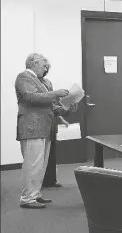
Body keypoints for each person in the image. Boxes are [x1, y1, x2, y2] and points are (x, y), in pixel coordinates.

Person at [15, 53, 74, 209]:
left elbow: (52, 107)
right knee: (32, 164)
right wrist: (55, 94)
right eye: (44, 65)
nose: (46, 68)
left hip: (44, 128)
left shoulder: (43, 82)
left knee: (40, 165)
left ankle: (35, 194)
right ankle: (27, 198)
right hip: (32, 127)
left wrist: (67, 109)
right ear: (33, 63)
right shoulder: (24, 77)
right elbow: (31, 97)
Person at [40, 61, 75, 188]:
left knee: (51, 153)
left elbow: (52, 104)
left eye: (47, 68)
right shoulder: (33, 83)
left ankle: (50, 180)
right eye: (44, 67)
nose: (45, 70)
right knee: (40, 155)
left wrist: (62, 117)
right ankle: (39, 182)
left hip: (51, 122)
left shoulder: (48, 83)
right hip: (40, 123)